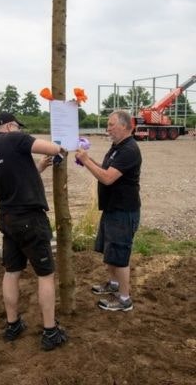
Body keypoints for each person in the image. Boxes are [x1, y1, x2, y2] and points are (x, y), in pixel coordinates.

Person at [0, 111, 68, 351]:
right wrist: (61, 148)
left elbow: (13, 181)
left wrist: (38, 168)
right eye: (18, 127)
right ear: (10, 126)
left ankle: (13, 325)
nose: (20, 130)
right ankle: (50, 332)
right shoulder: (15, 138)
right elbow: (51, 148)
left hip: (8, 219)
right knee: (45, 274)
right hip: (29, 218)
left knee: (12, 272)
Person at [75, 110, 141, 312]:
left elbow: (107, 178)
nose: (108, 128)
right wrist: (87, 160)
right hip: (113, 209)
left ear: (124, 125)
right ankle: (113, 285)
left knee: (120, 255)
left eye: (111, 124)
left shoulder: (129, 150)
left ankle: (124, 299)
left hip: (123, 211)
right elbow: (104, 169)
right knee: (110, 251)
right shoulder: (116, 148)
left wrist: (86, 161)